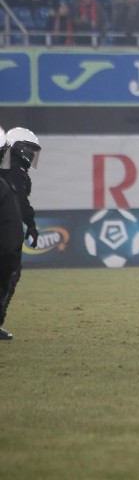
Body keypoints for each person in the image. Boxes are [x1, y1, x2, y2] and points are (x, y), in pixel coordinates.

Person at [0, 127, 41, 340]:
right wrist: (31, 225)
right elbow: (20, 202)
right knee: (10, 271)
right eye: (29, 149)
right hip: (5, 228)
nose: (32, 155)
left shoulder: (8, 168)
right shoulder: (15, 171)